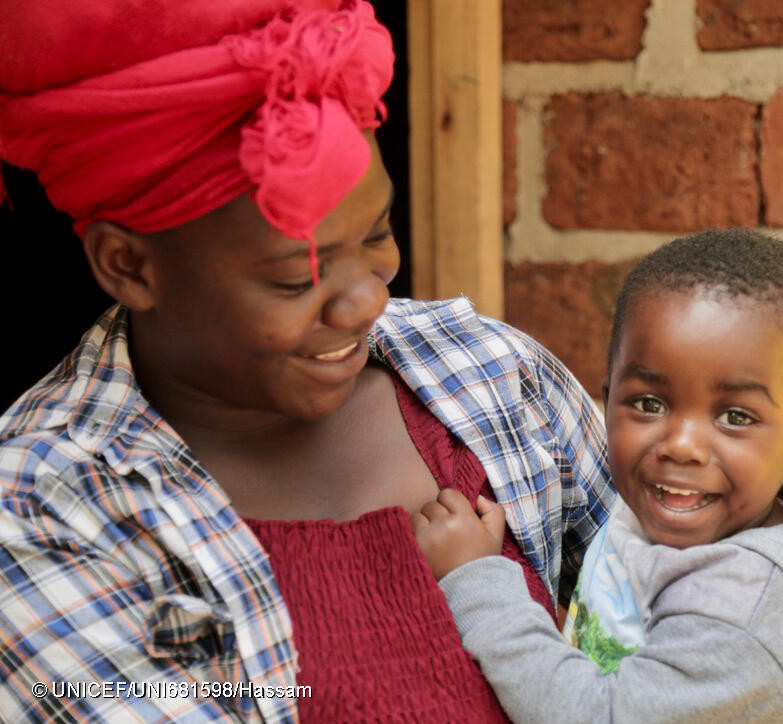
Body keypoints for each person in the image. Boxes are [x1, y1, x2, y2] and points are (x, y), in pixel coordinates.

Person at [0, 2, 613, 721]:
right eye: (298, 279)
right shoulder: (44, 515)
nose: (366, 302)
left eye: (377, 234)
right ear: (127, 265)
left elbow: (686, 609)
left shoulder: (488, 370)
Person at [412, 229, 783, 723]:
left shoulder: (751, 614)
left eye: (735, 417)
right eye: (649, 404)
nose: (681, 445)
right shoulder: (669, 515)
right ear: (607, 401)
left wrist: (476, 580)